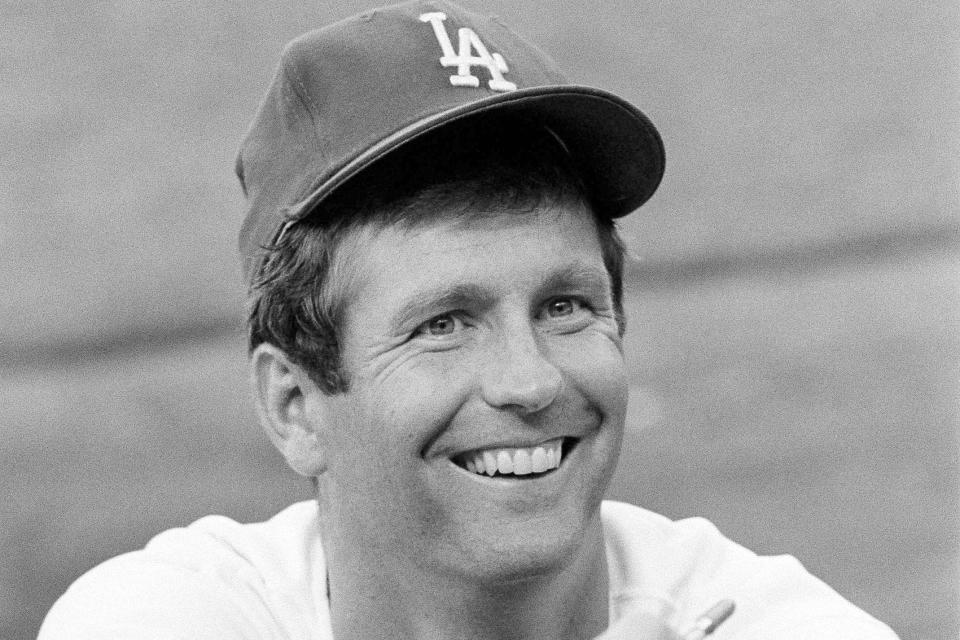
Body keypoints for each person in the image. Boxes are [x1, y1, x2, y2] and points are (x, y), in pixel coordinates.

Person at [39, 2, 900, 639]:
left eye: (565, 307)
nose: (530, 381)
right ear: (296, 407)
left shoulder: (768, 624)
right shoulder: (170, 617)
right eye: (443, 323)